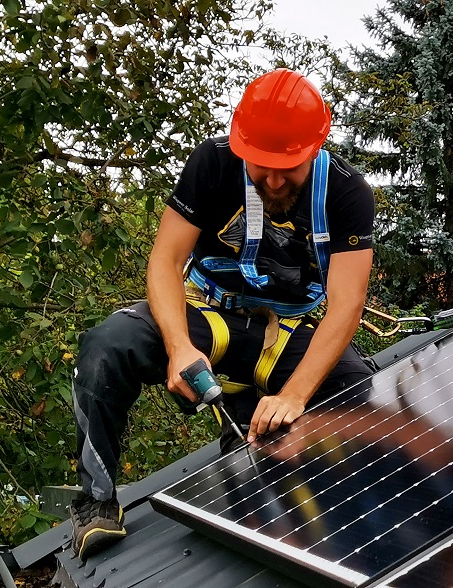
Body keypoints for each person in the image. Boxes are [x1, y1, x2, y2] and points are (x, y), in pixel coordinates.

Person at [67, 69, 377, 559]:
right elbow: (165, 261)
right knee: (107, 346)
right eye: (262, 166)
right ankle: (97, 503)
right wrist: (177, 346)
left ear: (316, 147)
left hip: (286, 331)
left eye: (289, 167)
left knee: (362, 399)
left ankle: (270, 471)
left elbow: (347, 304)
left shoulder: (347, 195)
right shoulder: (211, 164)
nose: (274, 181)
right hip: (206, 313)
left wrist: (295, 396)